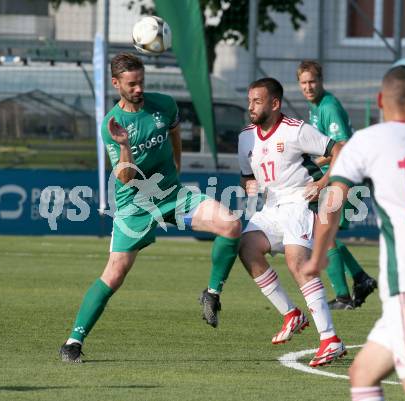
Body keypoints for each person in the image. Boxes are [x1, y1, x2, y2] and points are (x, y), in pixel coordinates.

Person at [59, 53, 242, 363]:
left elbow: (174, 133)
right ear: (116, 84)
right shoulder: (112, 126)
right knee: (114, 273)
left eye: (141, 82)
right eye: (132, 84)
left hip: (171, 193)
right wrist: (124, 144)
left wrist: (177, 168)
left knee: (231, 225)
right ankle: (73, 342)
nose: (139, 89)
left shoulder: (164, 105)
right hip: (135, 204)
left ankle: (211, 294)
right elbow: (126, 177)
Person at [303, 65, 405, 400]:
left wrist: (315, 258)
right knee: (364, 373)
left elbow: (333, 201)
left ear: (380, 100)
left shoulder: (368, 141)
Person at [238, 77, 346, 367]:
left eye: (257, 101)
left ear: (275, 103)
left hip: (300, 202)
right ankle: (291, 314)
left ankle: (330, 338)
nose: (251, 106)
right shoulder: (245, 137)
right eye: (249, 101)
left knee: (297, 262)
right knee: (247, 248)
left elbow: (340, 150)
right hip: (271, 207)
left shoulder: (296, 130)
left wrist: (324, 182)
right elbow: (246, 174)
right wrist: (248, 184)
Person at [297, 60, 377, 310]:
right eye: (304, 83)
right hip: (335, 175)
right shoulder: (317, 106)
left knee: (323, 232)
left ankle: (348, 291)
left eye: (312, 82)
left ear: (321, 82)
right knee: (323, 233)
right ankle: (356, 283)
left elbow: (343, 148)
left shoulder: (328, 106)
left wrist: (321, 178)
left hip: (341, 177)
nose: (308, 87)